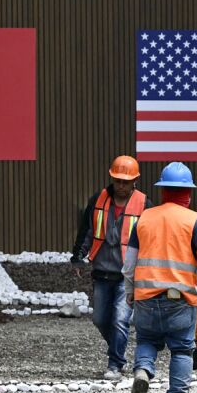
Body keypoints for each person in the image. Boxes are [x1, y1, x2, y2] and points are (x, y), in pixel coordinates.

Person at [122, 162, 197, 393]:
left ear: (162, 191)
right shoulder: (195, 221)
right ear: (188, 193)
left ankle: (142, 373)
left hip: (146, 297)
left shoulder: (144, 219)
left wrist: (131, 290)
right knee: (182, 349)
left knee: (147, 341)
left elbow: (129, 264)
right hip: (180, 298)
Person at [72, 155, 152, 380]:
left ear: (135, 180)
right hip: (102, 271)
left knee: (119, 319)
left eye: (126, 181)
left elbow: (148, 239)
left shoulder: (145, 204)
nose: (121, 185)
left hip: (127, 274)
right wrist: (78, 257)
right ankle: (117, 348)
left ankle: (115, 364)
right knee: (100, 319)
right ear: (112, 178)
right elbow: (86, 231)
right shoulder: (98, 200)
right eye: (118, 180)